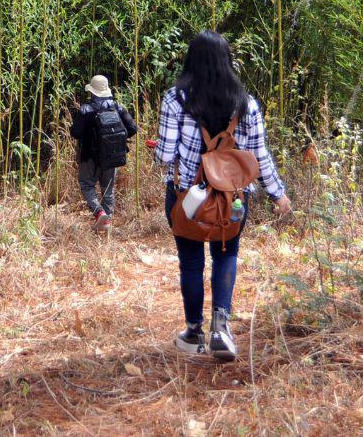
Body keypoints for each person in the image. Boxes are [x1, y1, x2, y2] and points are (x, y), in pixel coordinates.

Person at [152, 31, 292, 361]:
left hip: (188, 199)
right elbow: (260, 157)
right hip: (233, 201)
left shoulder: (175, 99)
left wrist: (166, 149)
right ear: (227, 62)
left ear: (191, 61)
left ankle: (193, 332)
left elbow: (164, 156)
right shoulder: (246, 104)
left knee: (190, 262)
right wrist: (278, 195)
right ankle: (221, 328)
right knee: (225, 256)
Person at [69, 74, 138, 232]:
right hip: (113, 155)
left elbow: (75, 133)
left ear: (92, 92)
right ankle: (107, 222)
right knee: (108, 189)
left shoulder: (86, 109)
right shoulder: (117, 107)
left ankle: (99, 213)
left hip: (90, 157)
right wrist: (115, 139)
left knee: (87, 185)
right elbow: (133, 129)